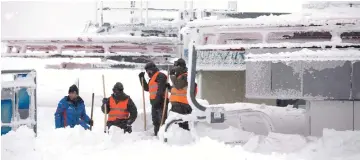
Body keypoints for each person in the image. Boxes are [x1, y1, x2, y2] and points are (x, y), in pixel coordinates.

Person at [166, 58, 198, 131]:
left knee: (181, 127)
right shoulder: (178, 78)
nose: (174, 69)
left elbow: (179, 86)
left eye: (175, 67)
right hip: (176, 105)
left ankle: (184, 140)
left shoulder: (186, 76)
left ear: (180, 67)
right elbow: (177, 90)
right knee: (175, 127)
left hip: (183, 106)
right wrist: (169, 88)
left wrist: (171, 75)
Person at [138, 62, 168, 136]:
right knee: (155, 121)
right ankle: (157, 134)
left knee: (162, 120)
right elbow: (147, 88)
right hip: (154, 103)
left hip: (161, 102)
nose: (148, 73)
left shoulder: (160, 76)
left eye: (148, 71)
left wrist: (157, 100)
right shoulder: (152, 79)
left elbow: (160, 90)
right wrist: (141, 78)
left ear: (152, 69)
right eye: (147, 72)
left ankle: (163, 135)